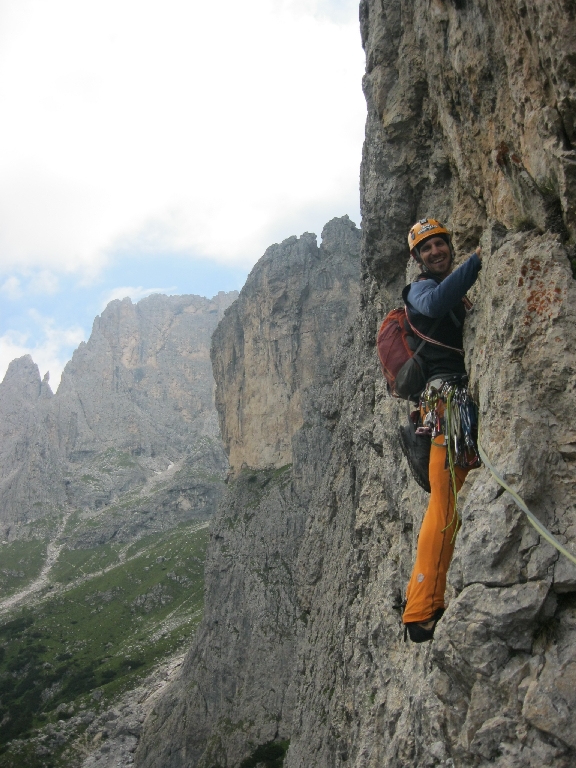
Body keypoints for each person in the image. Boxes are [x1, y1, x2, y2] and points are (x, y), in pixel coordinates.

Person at [401, 218, 482, 643]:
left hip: (448, 406)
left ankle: (423, 603)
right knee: (444, 503)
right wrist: (478, 261)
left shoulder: (448, 291)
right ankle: (420, 610)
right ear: (418, 258)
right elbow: (433, 305)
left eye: (440, 244)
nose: (435, 251)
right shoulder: (419, 290)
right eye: (426, 248)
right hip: (447, 405)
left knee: (444, 503)